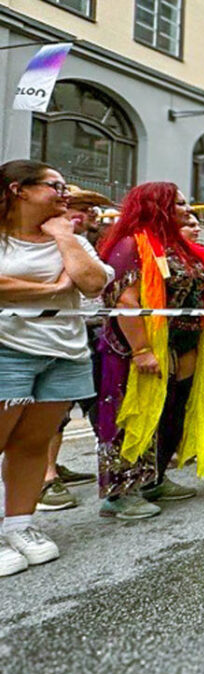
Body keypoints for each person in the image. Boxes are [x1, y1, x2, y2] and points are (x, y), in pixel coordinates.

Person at [94, 182, 204, 520]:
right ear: (156, 207)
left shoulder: (180, 247)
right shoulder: (130, 244)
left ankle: (154, 479)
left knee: (172, 414)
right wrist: (142, 350)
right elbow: (124, 299)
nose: (187, 210)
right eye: (179, 204)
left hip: (183, 348)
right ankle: (121, 493)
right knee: (132, 416)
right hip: (138, 349)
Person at [0, 162, 110, 575]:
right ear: (19, 190)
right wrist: (52, 290)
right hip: (7, 347)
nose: (65, 194)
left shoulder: (70, 238)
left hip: (63, 351)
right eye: (55, 186)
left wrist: (64, 236)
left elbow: (92, 283)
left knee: (31, 443)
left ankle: (20, 525)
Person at [38, 185, 113, 511]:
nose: (92, 216)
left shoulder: (85, 242)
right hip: (51, 336)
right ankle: (46, 477)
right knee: (52, 409)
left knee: (95, 403)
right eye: (84, 208)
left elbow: (98, 282)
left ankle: (106, 471)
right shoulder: (45, 244)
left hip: (90, 332)